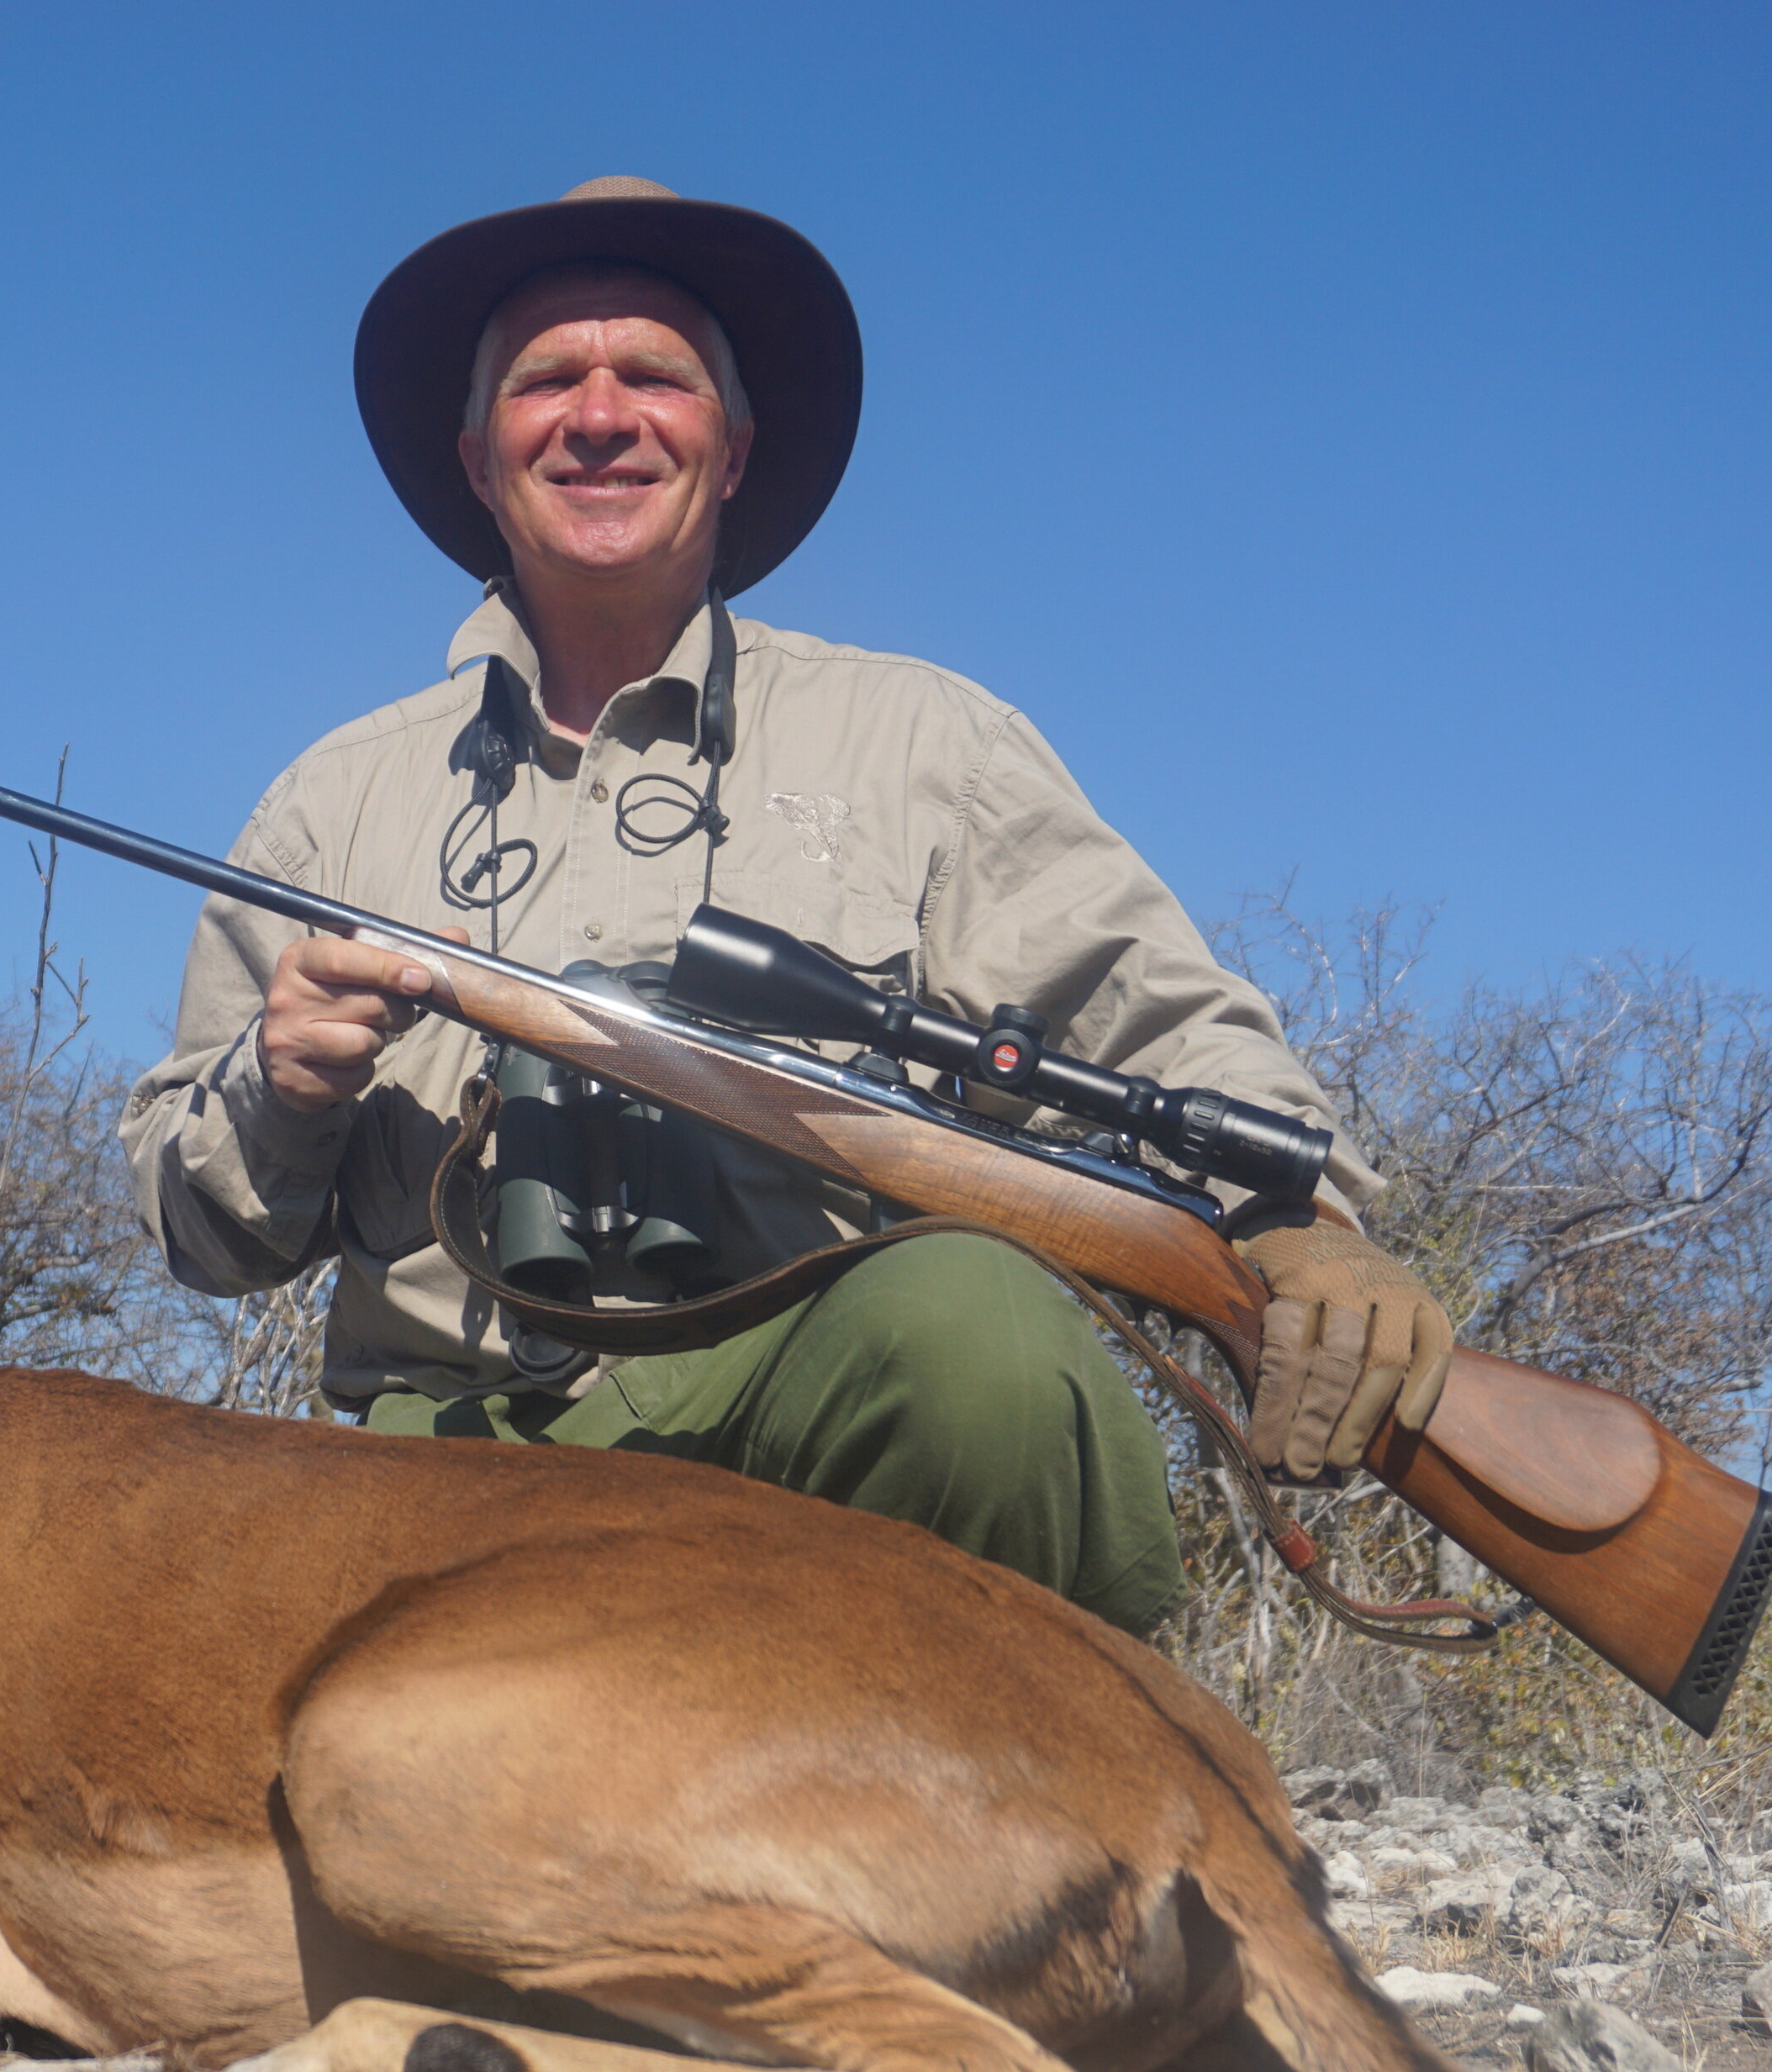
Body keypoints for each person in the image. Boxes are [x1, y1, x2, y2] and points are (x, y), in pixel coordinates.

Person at [122, 178, 1452, 1637]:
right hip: (447, 1457)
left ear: (735, 449)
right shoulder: (331, 800)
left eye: (658, 378)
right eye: (549, 379)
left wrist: (1301, 1222)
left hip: (812, 1420)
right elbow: (205, 1235)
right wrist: (281, 1085)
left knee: (973, 1325)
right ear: (478, 457)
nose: (602, 414)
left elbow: (1167, 1029)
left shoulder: (923, 744)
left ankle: (1019, 1832)